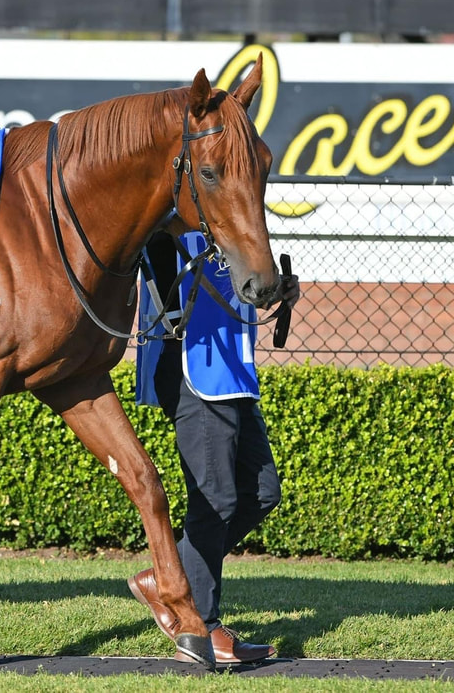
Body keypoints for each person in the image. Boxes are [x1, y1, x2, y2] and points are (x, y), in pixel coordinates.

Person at [130, 229, 300, 665]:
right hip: (195, 371)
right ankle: (201, 626)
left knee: (263, 492)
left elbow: (240, 287)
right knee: (215, 501)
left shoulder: (232, 217)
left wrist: (275, 291)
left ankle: (164, 579)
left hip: (236, 374)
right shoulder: (171, 220)